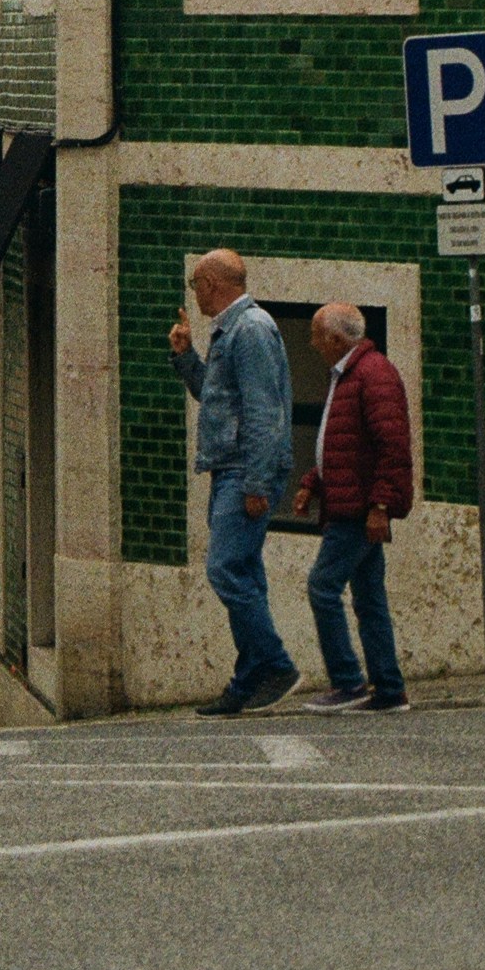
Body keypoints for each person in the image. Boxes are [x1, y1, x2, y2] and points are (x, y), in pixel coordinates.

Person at [169, 248, 299, 715]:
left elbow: (266, 412)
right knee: (245, 575)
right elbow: (215, 395)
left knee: (224, 569)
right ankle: (245, 685)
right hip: (231, 466)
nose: (194, 294)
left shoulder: (251, 330)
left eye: (195, 285)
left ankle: (276, 664)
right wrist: (186, 356)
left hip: (245, 469)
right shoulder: (229, 331)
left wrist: (258, 483)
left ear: (212, 285)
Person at [295, 303, 414, 714]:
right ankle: (388, 688)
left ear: (334, 337)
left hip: (358, 508)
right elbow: (344, 444)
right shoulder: (351, 374)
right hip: (352, 502)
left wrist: (380, 504)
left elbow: (392, 447)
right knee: (368, 598)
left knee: (322, 587)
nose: (312, 344)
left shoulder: (372, 374)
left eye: (315, 335)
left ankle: (348, 682)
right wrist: (313, 482)